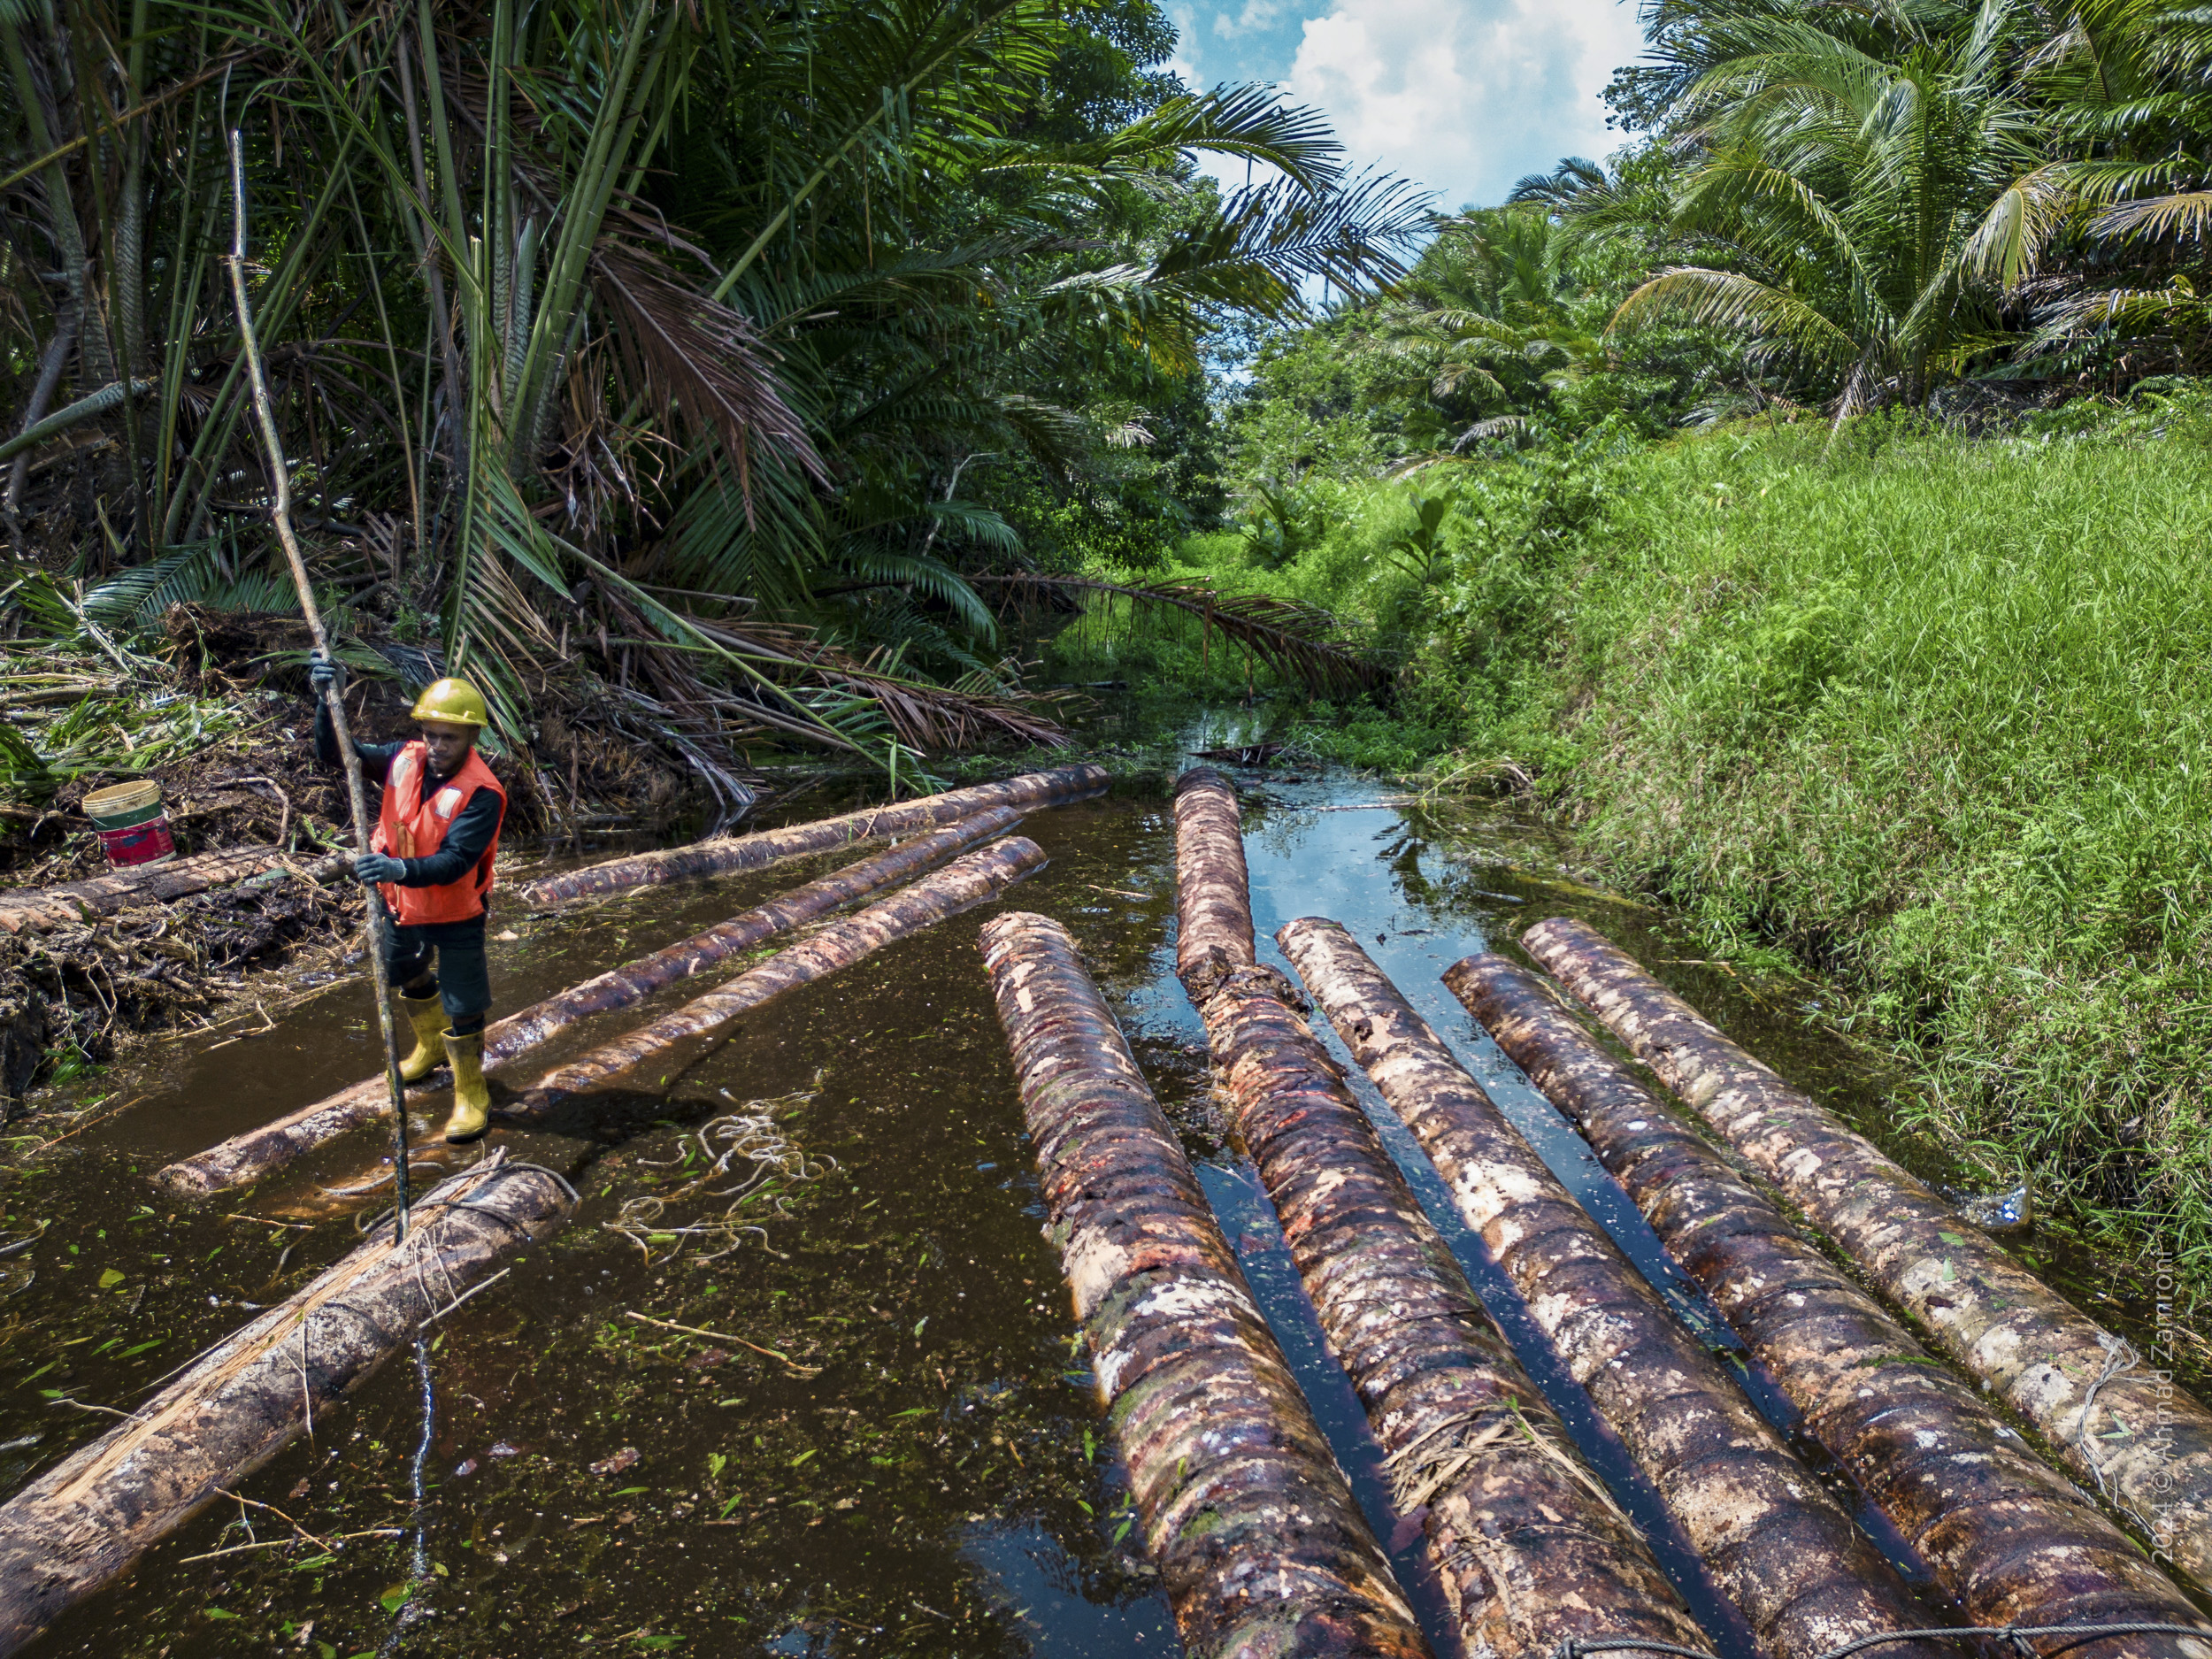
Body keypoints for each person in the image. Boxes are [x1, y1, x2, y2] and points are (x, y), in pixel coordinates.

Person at [307, 657, 507, 1143]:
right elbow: (340, 756)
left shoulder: (483, 793)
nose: (437, 746)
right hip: (400, 905)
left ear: (472, 737)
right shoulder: (404, 758)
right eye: (431, 735)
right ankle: (429, 1046)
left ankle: (471, 1091)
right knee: (403, 970)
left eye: (450, 738)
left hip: (456, 910)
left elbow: (456, 861)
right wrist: (325, 702)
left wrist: (398, 869)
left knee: (464, 1002)